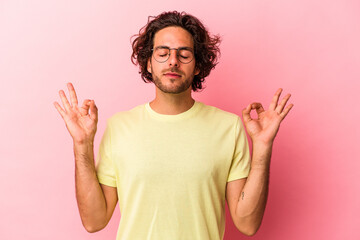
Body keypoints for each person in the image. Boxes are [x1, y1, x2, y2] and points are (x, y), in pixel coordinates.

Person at [54, 11, 293, 240]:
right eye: (163, 52)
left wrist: (262, 146)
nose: (173, 61)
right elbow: (94, 221)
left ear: (198, 65)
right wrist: (82, 145)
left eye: (184, 54)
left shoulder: (228, 127)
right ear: (148, 63)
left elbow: (247, 223)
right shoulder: (119, 127)